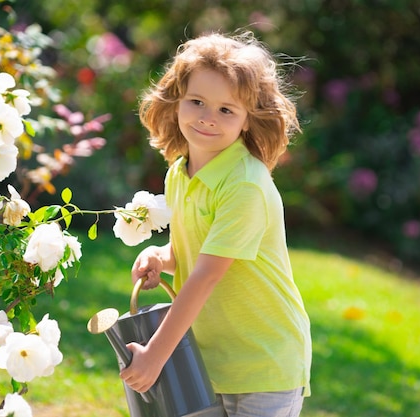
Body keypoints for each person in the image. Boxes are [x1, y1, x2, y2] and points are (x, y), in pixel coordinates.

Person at [120, 31, 311, 417]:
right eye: (197, 102)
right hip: (210, 359)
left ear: (247, 120)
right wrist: (160, 256)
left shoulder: (245, 184)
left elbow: (206, 275)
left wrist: (155, 355)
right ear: (176, 102)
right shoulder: (180, 173)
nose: (208, 117)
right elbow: (189, 249)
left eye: (227, 110)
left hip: (264, 363)